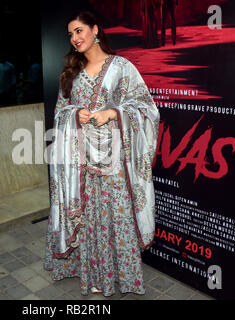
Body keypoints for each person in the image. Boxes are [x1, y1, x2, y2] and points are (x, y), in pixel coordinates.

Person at [44, 11, 160, 297]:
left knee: (115, 215)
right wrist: (74, 113)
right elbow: (59, 112)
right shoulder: (70, 72)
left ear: (95, 30)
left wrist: (113, 112)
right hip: (79, 160)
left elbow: (148, 109)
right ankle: (93, 275)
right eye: (71, 34)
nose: (75, 38)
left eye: (80, 30)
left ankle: (119, 276)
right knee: (88, 217)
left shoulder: (122, 68)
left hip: (115, 160)